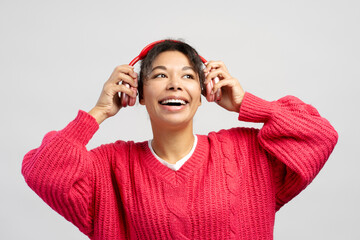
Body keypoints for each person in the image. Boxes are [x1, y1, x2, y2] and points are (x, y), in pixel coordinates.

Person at [22, 40, 338, 240]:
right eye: (160, 75)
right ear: (139, 94)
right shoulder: (110, 168)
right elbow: (42, 172)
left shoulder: (247, 153)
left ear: (202, 94)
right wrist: (99, 112)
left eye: (187, 76)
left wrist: (248, 104)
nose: (174, 84)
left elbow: (320, 135)